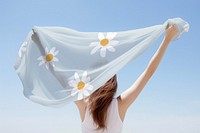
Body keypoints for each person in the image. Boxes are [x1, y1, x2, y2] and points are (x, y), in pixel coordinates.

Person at [75, 24, 179, 133]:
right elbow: (149, 72)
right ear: (113, 81)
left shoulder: (84, 105)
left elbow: (64, 82)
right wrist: (167, 39)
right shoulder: (120, 104)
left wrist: (54, 59)